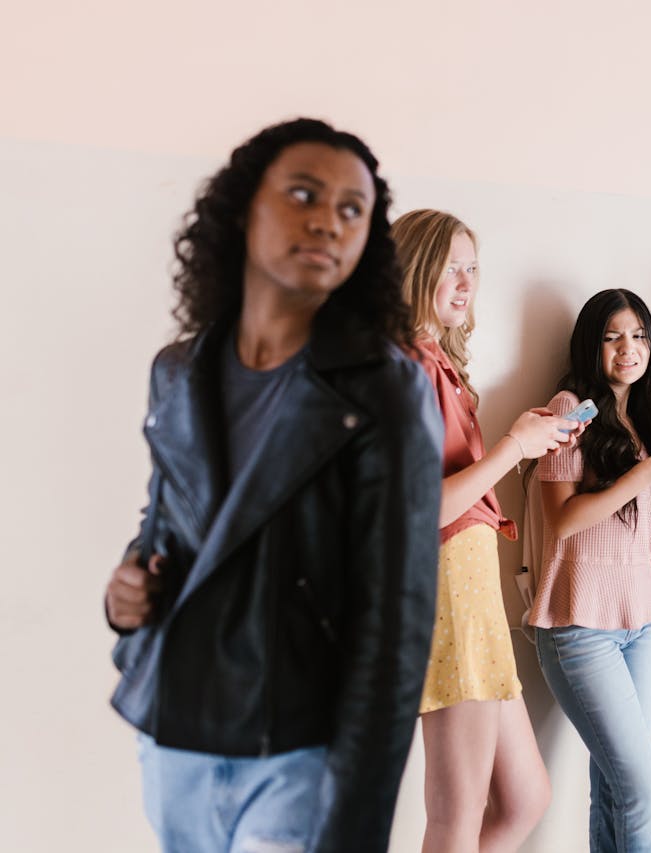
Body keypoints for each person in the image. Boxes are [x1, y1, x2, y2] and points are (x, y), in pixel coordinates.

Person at [103, 118, 445, 853]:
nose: (328, 219)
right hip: (175, 733)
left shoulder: (385, 389)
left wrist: (355, 821)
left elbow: (395, 629)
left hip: (298, 750)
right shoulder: (177, 370)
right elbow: (167, 524)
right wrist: (125, 593)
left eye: (353, 209)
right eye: (303, 193)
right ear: (243, 211)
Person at [391, 208, 571, 853]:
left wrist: (528, 433)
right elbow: (422, 511)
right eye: (451, 268)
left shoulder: (435, 362)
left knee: (525, 799)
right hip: (448, 597)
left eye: (473, 269)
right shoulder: (404, 368)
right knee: (456, 814)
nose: (466, 283)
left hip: (470, 597)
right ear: (414, 272)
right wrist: (514, 448)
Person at [531, 289, 651, 853]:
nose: (628, 348)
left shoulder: (644, 419)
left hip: (640, 619)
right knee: (640, 788)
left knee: (615, 786)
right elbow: (562, 521)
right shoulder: (568, 409)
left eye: (638, 336)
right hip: (579, 624)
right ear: (591, 346)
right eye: (612, 336)